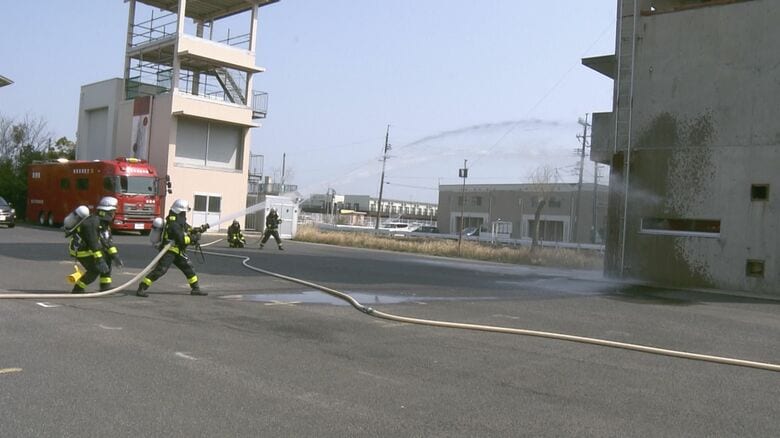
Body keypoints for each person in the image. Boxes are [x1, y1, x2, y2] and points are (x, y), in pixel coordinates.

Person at [136, 199, 208, 297]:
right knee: (160, 270)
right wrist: (194, 238)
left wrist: (198, 230)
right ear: (179, 211)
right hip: (169, 251)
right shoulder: (173, 224)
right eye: (183, 212)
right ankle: (142, 288)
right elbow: (182, 239)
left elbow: (187, 229)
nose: (184, 214)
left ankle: (195, 289)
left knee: (188, 267)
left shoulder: (179, 221)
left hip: (177, 251)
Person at [67, 197, 123, 293]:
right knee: (95, 269)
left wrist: (115, 255)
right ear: (107, 212)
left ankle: (105, 286)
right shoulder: (92, 223)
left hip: (90, 249)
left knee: (107, 257)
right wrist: (99, 260)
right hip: (82, 250)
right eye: (113, 211)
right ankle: (78, 288)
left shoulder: (104, 223)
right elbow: (93, 243)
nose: (114, 214)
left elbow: (107, 241)